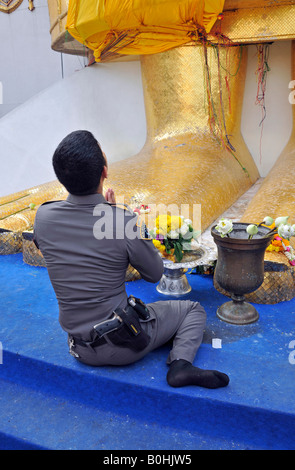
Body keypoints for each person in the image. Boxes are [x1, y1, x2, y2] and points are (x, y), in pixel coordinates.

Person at [34, 130, 229, 389]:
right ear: (105, 171)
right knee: (192, 310)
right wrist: (120, 220)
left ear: (60, 175)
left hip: (78, 347)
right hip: (124, 345)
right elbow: (154, 272)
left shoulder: (43, 218)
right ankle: (181, 364)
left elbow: (54, 247)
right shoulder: (120, 221)